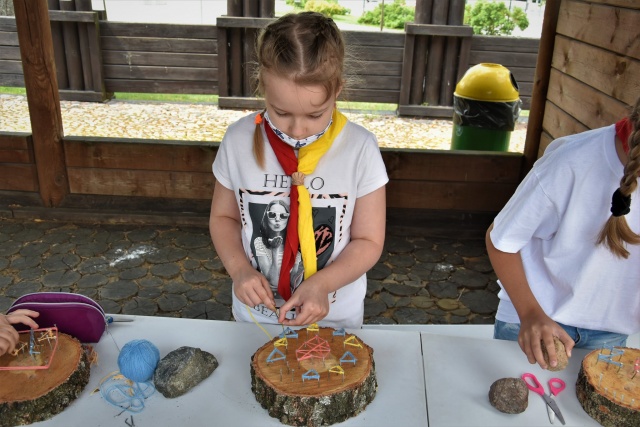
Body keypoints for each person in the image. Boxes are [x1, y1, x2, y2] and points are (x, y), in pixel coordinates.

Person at [209, 12, 388, 329]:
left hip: (335, 318)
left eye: (315, 115)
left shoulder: (360, 149)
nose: (298, 129)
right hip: (256, 317)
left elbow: (369, 240)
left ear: (338, 90)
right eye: (281, 112)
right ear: (263, 87)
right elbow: (224, 218)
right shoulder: (237, 141)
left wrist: (323, 283)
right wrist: (239, 270)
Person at [486, 97, 640, 370]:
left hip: (611, 333)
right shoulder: (571, 160)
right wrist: (530, 313)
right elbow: (500, 241)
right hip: (534, 320)